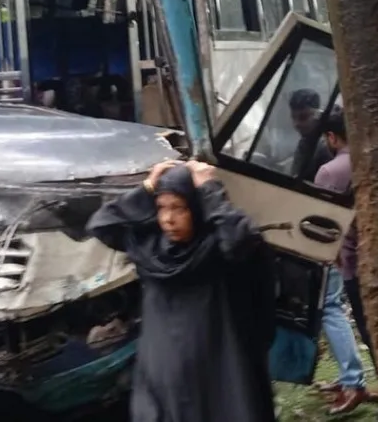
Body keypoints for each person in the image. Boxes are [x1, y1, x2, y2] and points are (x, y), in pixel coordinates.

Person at [87, 161, 277, 422]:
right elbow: (102, 224)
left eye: (179, 208)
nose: (168, 219)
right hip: (165, 379)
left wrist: (210, 190)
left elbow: (240, 239)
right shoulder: (151, 250)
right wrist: (147, 187)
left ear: (197, 207)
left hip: (218, 374)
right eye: (161, 208)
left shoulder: (217, 251)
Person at [311, 109, 372, 414]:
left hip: (344, 258)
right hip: (376, 256)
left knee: (331, 309)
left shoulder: (329, 171)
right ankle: (351, 377)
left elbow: (323, 222)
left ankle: (353, 381)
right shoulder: (372, 160)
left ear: (332, 137)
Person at [289, 89, 333, 183]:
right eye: (293, 118)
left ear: (318, 114)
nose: (296, 124)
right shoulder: (306, 141)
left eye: (303, 117)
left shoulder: (326, 146)